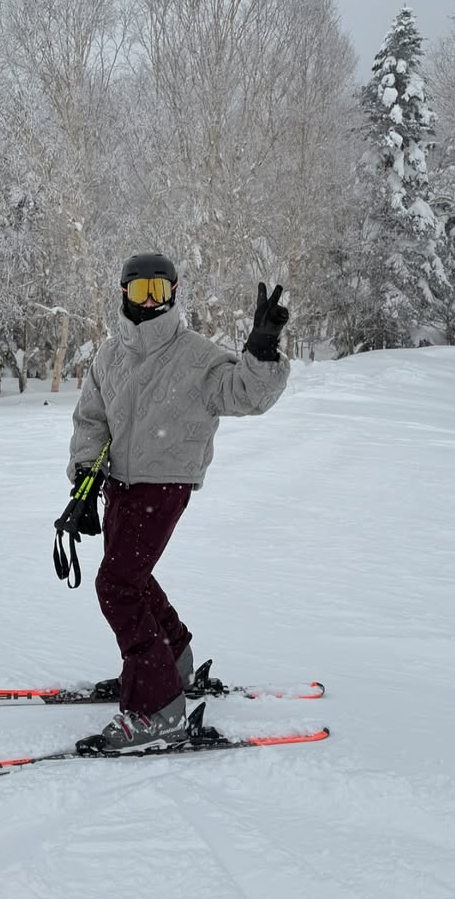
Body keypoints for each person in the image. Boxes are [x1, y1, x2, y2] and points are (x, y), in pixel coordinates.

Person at [59, 251, 290, 753]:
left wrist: (263, 349)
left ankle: (158, 707)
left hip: (165, 482)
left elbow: (245, 394)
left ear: (173, 293)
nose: (149, 301)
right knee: (130, 578)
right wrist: (84, 483)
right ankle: (175, 658)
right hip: (120, 480)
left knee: (117, 586)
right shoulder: (109, 356)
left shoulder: (195, 355)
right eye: (139, 291)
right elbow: (91, 420)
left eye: (158, 291)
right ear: (123, 294)